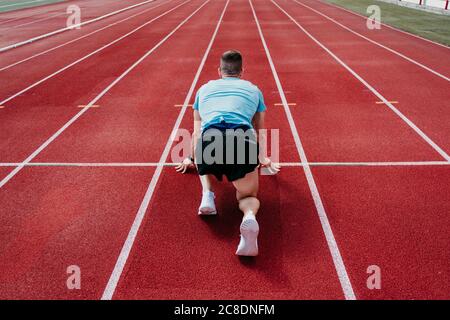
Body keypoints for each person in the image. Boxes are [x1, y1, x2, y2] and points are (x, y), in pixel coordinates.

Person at [176, 50, 280, 256]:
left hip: (210, 139)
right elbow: (258, 129)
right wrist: (262, 158)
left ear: (219, 71)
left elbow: (197, 132)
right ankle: (249, 216)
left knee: (202, 146)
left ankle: (207, 196)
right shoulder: (253, 90)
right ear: (242, 71)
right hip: (242, 139)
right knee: (247, 196)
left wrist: (191, 158)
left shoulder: (203, 89)